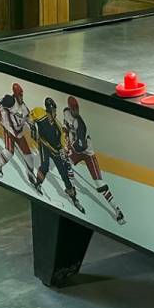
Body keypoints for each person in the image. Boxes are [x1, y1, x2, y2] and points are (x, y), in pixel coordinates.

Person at [63, 96, 125, 224]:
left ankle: (117, 209)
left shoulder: (81, 125)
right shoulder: (66, 113)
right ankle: (72, 191)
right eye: (73, 108)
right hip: (76, 148)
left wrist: (69, 148)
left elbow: (80, 147)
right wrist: (66, 139)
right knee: (66, 164)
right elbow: (65, 127)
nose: (75, 111)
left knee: (100, 184)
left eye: (76, 108)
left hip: (87, 153)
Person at [31, 97, 84, 214]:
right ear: (49, 110)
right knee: (45, 165)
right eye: (54, 111)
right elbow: (31, 116)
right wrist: (32, 126)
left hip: (55, 150)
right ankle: (38, 183)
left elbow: (62, 142)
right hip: (44, 145)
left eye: (55, 111)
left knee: (64, 173)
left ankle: (73, 197)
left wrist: (63, 150)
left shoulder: (57, 125)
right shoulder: (40, 113)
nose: (55, 113)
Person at [0, 83, 37, 179]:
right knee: (9, 152)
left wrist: (32, 126)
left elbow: (28, 117)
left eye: (21, 95)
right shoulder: (10, 101)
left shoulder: (23, 106)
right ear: (16, 95)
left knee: (29, 156)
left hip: (19, 133)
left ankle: (30, 173)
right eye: (19, 95)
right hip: (10, 131)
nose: (21, 97)